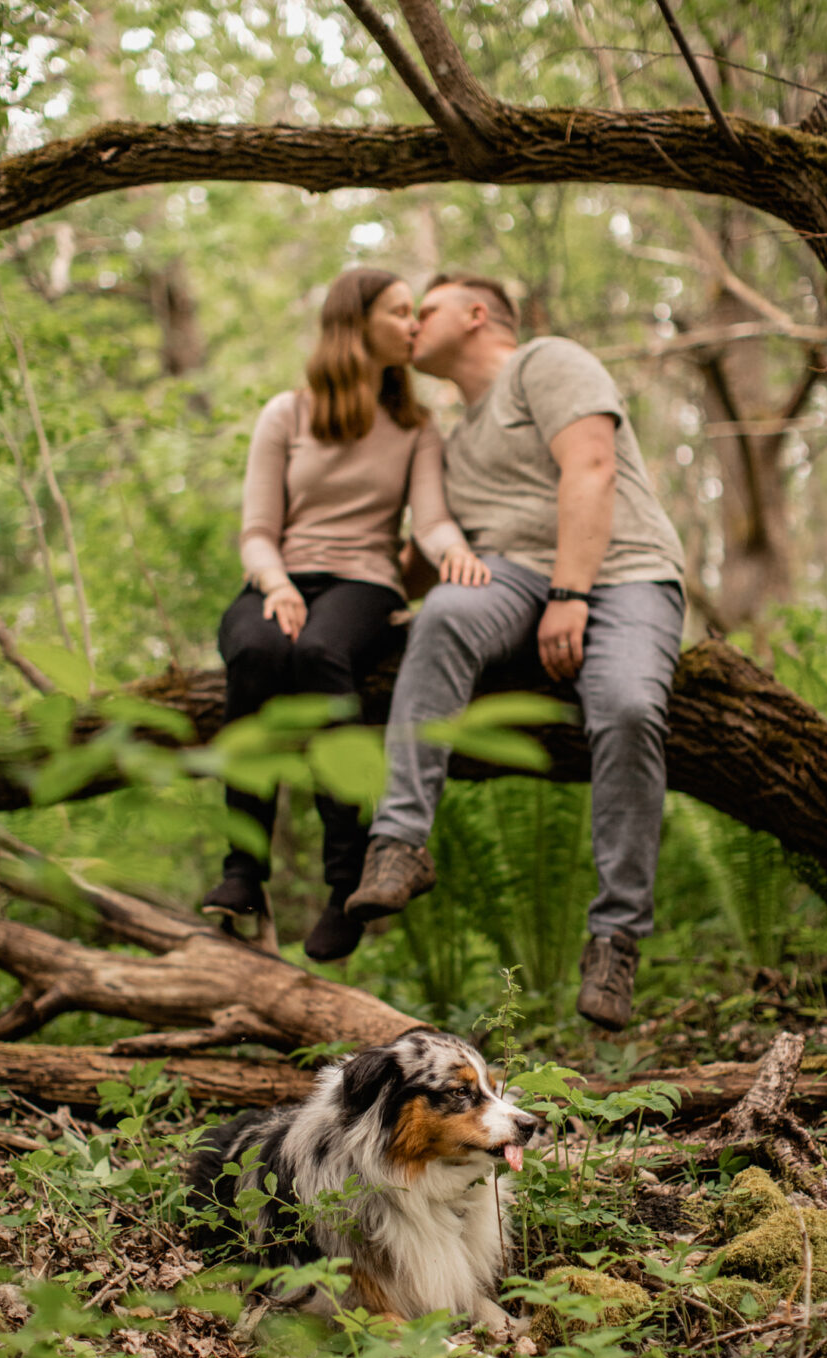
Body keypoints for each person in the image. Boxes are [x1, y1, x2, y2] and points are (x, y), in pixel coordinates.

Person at [343, 273, 688, 1031]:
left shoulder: (546, 363)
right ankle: (399, 843)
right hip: (513, 578)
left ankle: (616, 935)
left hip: (623, 572)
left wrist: (570, 595)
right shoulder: (453, 439)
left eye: (422, 310)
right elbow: (426, 552)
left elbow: (591, 467)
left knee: (629, 707)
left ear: (474, 315)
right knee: (443, 614)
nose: (409, 325)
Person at [201, 268, 485, 962]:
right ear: (354, 323)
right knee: (257, 654)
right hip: (280, 578)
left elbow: (433, 521)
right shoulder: (286, 414)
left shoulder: (417, 426)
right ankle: (242, 870)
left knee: (320, 653)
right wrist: (276, 585)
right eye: (399, 313)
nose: (413, 325)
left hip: (366, 583)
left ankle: (344, 880)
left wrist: (459, 557)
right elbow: (258, 530)